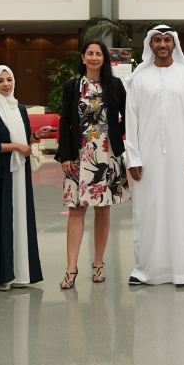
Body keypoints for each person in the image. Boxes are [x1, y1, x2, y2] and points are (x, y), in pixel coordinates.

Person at [126, 25, 184, 286]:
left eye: (167, 40)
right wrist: (134, 158)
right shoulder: (139, 78)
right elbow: (131, 120)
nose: (162, 44)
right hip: (147, 158)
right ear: (150, 45)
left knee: (183, 210)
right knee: (148, 210)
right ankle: (146, 269)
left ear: (175, 45)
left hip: (182, 157)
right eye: (158, 40)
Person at [59, 39, 129, 289]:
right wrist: (66, 155)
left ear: (104, 58)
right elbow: (65, 120)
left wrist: (114, 135)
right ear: (83, 57)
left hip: (107, 154)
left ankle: (98, 262)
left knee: (102, 209)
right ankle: (71, 268)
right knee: (76, 209)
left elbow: (128, 115)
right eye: (90, 53)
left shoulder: (115, 85)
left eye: (98, 54)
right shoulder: (73, 86)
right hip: (79, 155)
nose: (94, 58)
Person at [0, 65, 50, 291]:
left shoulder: (19, 108)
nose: (6, 84)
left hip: (19, 174)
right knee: (2, 220)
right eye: (0, 81)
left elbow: (24, 140)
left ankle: (20, 273)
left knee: (19, 219)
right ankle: (1, 275)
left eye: (9, 79)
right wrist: (17, 146)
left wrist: (35, 136)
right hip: (0, 177)